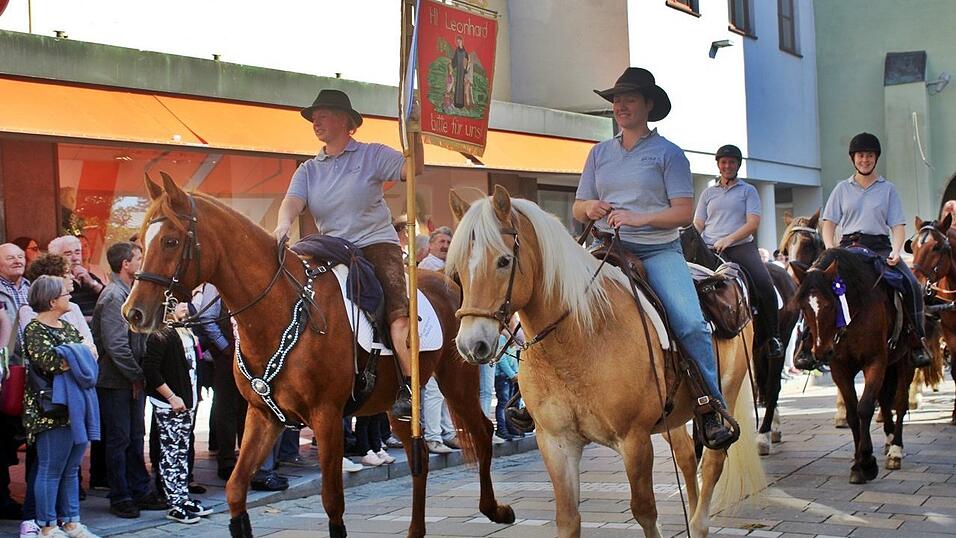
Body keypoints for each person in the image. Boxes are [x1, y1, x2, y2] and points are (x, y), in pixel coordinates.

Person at [573, 67, 735, 449]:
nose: (620, 105)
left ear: (648, 105)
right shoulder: (599, 153)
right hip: (606, 247)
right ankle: (532, 395)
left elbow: (683, 212)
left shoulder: (669, 154)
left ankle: (711, 406)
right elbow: (578, 207)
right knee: (557, 301)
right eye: (616, 99)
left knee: (690, 323)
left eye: (629, 99)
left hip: (658, 249)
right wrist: (591, 206)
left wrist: (640, 217)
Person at [272, 88, 423, 421]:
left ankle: (409, 385)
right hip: (331, 248)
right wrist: (283, 224)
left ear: (345, 121)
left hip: (375, 244)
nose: (316, 121)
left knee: (397, 311)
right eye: (314, 117)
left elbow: (412, 169)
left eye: (322, 115)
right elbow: (292, 202)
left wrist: (416, 133)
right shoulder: (309, 169)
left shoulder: (371, 155)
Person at [818, 132, 931, 369]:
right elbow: (828, 224)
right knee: (815, 284)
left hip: (879, 247)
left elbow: (898, 227)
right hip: (848, 248)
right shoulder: (841, 188)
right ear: (853, 159)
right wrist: (831, 250)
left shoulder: (887, 189)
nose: (865, 160)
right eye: (860, 155)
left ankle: (917, 340)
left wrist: (897, 251)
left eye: (869, 156)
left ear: (876, 158)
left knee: (911, 283)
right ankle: (809, 343)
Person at [22, 275, 100, 538]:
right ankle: (47, 526)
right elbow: (53, 363)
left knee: (72, 469)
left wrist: (73, 353)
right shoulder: (34, 330)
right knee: (50, 469)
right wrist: (78, 354)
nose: (70, 297)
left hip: (76, 408)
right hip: (50, 410)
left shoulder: (66, 327)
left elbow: (90, 354)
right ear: (52, 300)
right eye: (65, 294)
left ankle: (71, 522)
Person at [92, 242, 165, 518]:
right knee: (119, 440)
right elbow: (116, 346)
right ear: (125, 263)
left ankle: (139, 490)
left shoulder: (128, 292)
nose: (142, 262)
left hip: (131, 380)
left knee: (136, 437)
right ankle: (120, 495)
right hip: (116, 382)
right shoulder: (113, 296)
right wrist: (136, 376)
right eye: (138, 258)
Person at [694, 144, 784, 359]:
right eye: (723, 162)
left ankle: (773, 336)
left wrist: (729, 239)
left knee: (764, 284)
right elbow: (699, 223)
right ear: (718, 165)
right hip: (710, 248)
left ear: (738, 165)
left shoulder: (748, 190)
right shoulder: (708, 193)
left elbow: (753, 223)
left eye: (731, 162)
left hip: (740, 247)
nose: (727, 166)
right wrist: (687, 238)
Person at [142, 302, 211, 524]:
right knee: (171, 453)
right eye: (179, 303)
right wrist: (171, 397)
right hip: (169, 404)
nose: (185, 306)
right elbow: (151, 370)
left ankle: (182, 496)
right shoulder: (159, 335)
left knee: (182, 451)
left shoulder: (187, 331)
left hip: (187, 401)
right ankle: (174, 501)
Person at [47, 236, 104, 323]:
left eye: (77, 253)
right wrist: (98, 320)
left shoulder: (89, 276)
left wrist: (92, 283)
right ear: (56, 258)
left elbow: (110, 299)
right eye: (68, 254)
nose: (75, 258)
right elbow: (61, 317)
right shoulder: (55, 283)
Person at [452, 35, 467, 109]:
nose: (458, 43)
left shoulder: (465, 52)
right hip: (458, 71)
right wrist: (452, 64)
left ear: (462, 41)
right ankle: (456, 103)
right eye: (457, 42)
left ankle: (461, 104)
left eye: (459, 41)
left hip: (463, 71)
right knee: (457, 85)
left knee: (462, 86)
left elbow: (466, 61)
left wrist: (465, 69)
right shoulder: (457, 51)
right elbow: (454, 60)